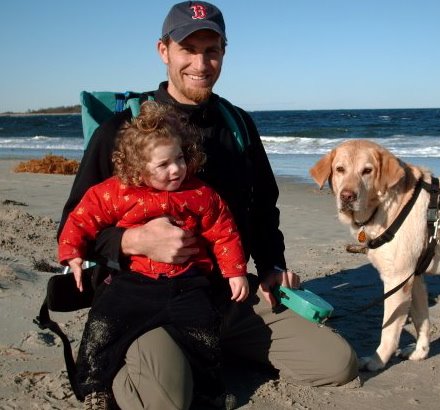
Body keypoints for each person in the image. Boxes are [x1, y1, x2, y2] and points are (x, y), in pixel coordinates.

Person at [59, 2, 359, 409]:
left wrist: (272, 265)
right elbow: (76, 225)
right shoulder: (124, 129)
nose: (201, 63)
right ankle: (131, 358)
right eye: (188, 48)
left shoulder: (238, 124)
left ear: (224, 52)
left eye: (212, 49)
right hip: (146, 298)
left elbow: (263, 207)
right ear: (163, 51)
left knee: (337, 364)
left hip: (225, 296)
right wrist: (132, 241)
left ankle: (205, 350)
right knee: (169, 400)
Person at [59, 101, 249, 408]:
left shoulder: (200, 193)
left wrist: (235, 271)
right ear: (137, 168)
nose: (176, 169)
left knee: (205, 333)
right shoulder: (114, 192)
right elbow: (82, 219)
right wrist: (72, 254)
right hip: (134, 282)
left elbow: (223, 232)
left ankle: (208, 390)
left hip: (187, 282)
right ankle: (95, 386)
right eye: (163, 165)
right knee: (103, 326)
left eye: (179, 158)